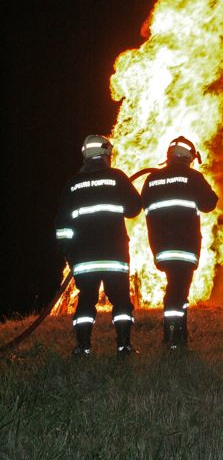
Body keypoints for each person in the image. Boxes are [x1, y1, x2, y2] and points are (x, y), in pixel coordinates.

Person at [55, 134, 142, 356]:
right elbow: (134, 209)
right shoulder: (116, 177)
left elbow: (62, 226)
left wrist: (69, 253)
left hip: (84, 259)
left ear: (85, 156)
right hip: (114, 256)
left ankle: (82, 347)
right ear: (105, 154)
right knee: (121, 300)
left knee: (86, 299)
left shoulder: (72, 184)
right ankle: (124, 346)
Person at [140, 136, 218, 349]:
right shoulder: (193, 177)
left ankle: (177, 335)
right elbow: (210, 203)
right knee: (178, 291)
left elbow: (141, 205)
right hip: (184, 246)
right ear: (188, 156)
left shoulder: (152, 179)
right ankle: (174, 338)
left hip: (160, 247)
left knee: (175, 288)